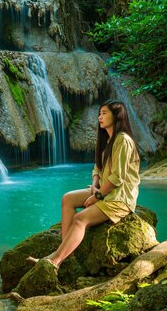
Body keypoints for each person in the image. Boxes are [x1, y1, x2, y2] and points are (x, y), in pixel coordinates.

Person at [27, 99, 141, 270]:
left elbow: (118, 177)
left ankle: (55, 261)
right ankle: (66, 251)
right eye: (99, 113)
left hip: (119, 197)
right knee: (68, 199)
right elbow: (98, 168)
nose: (99, 117)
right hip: (104, 189)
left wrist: (98, 196)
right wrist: (95, 186)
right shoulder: (108, 140)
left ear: (117, 116)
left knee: (80, 219)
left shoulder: (123, 140)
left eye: (104, 113)